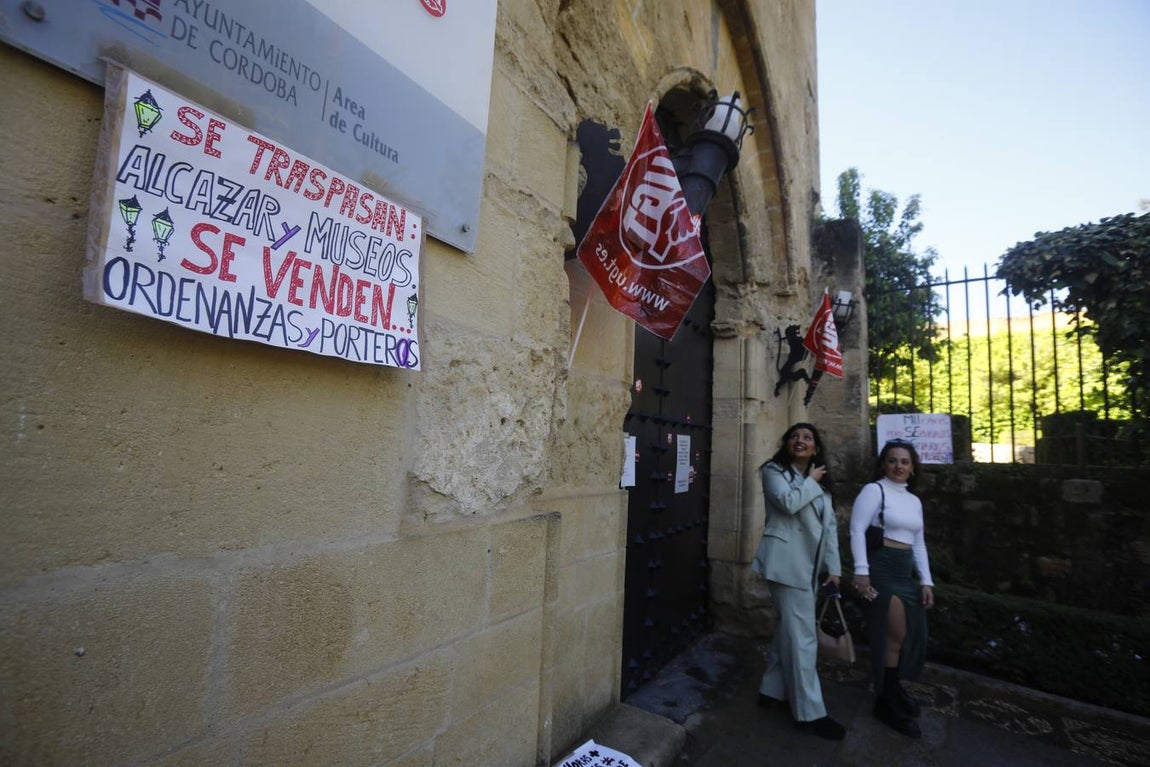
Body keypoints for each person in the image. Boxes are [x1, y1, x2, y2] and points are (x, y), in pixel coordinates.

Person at [751, 422, 845, 741]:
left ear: (816, 448)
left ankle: (771, 690)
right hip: (786, 566)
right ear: (786, 443)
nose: (800, 440)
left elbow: (829, 528)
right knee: (803, 638)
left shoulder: (822, 484)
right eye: (795, 436)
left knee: (788, 629)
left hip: (811, 568)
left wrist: (834, 568)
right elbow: (788, 504)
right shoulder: (774, 471)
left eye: (807, 438)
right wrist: (812, 482)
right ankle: (809, 712)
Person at [849, 439, 935, 739]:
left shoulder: (914, 501)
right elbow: (857, 530)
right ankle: (885, 702)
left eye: (904, 461)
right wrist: (862, 572)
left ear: (912, 468)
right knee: (894, 635)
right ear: (883, 464)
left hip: (905, 570)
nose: (898, 466)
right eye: (892, 460)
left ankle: (893, 689)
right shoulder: (875, 490)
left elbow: (919, 543)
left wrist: (926, 580)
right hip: (882, 568)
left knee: (907, 635)